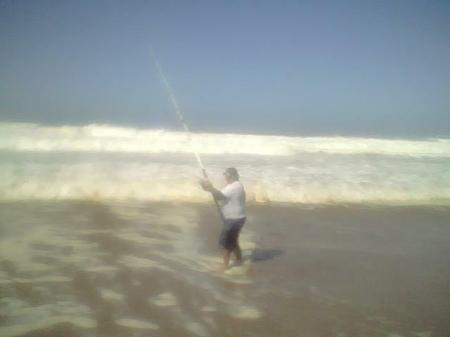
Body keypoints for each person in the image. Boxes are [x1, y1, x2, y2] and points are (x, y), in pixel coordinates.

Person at [199, 167, 246, 271]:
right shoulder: (234, 185)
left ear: (231, 176)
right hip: (236, 218)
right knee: (233, 241)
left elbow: (220, 196)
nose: (224, 177)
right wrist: (209, 188)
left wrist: (210, 188)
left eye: (226, 175)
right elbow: (218, 195)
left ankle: (225, 266)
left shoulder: (234, 187)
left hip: (234, 220)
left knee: (226, 243)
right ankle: (239, 259)